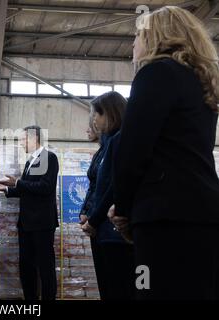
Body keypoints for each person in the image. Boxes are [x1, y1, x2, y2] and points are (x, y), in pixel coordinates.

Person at [109, 6, 219, 300]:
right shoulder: (203, 83)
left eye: (137, 35)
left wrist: (122, 210)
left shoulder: (155, 73)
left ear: (156, 36)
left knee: (149, 290)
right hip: (205, 216)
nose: (133, 43)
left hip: (163, 220)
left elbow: (133, 149)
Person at [0, 126, 59, 300]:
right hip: (26, 223)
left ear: (33, 138)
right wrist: (6, 188)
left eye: (22, 139)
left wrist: (18, 183)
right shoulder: (30, 161)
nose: (21, 143)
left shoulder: (49, 158)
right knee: (26, 266)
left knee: (45, 267)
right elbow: (27, 190)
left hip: (42, 223)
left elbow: (46, 187)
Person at [80, 91, 135, 300]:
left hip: (115, 231)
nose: (94, 120)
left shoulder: (120, 141)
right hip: (103, 229)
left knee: (121, 288)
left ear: (111, 114)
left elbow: (113, 186)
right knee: (109, 287)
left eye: (97, 114)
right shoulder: (108, 145)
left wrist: (94, 218)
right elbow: (97, 186)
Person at [79, 111, 107, 299]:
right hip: (95, 220)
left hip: (105, 223)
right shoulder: (100, 152)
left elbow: (107, 188)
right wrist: (84, 211)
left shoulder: (112, 148)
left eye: (91, 122)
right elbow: (93, 186)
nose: (87, 129)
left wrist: (94, 218)